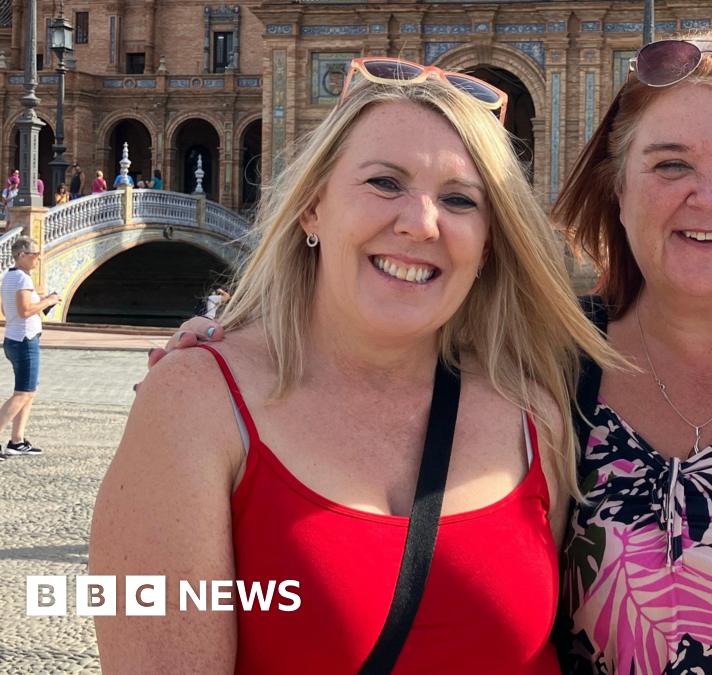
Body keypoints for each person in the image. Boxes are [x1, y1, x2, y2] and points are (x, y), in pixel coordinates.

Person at [152, 36, 712, 672]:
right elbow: (392, 305)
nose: (706, 195)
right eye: (667, 164)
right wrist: (232, 344)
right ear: (615, 189)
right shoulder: (554, 362)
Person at [92, 58, 617, 672]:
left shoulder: (534, 414)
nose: (420, 224)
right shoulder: (193, 406)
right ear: (312, 207)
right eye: (384, 183)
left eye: (458, 199)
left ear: (491, 242)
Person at [0, 236, 58, 457]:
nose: (38, 259)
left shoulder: (9, 277)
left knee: (28, 391)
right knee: (23, 393)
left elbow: (8, 311)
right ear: (22, 255)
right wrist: (48, 301)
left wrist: (39, 300)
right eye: (34, 254)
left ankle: (17, 440)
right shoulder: (23, 280)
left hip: (15, 338)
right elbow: (24, 311)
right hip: (24, 340)